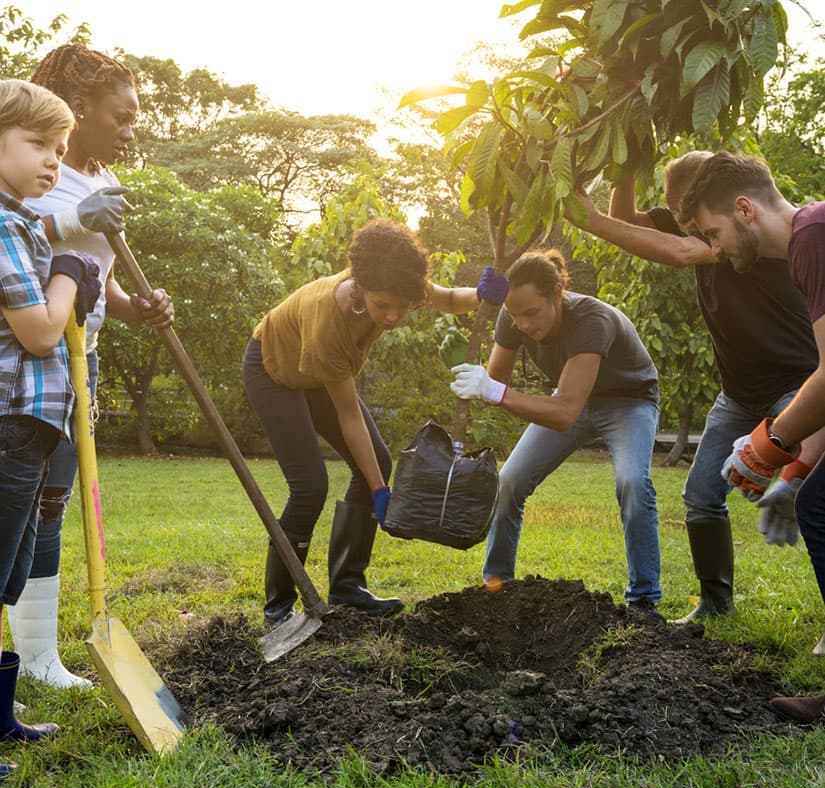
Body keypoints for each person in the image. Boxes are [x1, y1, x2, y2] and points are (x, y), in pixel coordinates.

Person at [566, 151, 819, 623]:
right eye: (677, 215)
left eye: (688, 216)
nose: (686, 226)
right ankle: (716, 603)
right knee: (701, 493)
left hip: (798, 382)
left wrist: (592, 222)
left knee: (810, 496)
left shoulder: (742, 235)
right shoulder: (697, 222)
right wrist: (625, 160)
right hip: (738, 393)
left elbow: (678, 251)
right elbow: (630, 219)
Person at [6, 43, 175, 690]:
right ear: (80, 110)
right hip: (30, 357)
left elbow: (95, 281)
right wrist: (76, 215)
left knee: (52, 501)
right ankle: (34, 655)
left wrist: (140, 306)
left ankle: (40, 657)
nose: (131, 130)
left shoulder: (100, 179)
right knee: (21, 506)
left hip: (85, 357)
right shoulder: (40, 180)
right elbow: (21, 229)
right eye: (122, 117)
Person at [243, 218, 509, 624]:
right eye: (383, 305)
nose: (392, 317)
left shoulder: (401, 286)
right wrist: (379, 491)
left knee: (377, 463)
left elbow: (448, 299)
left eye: (402, 307)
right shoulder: (328, 319)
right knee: (310, 486)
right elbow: (349, 417)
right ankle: (279, 606)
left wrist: (482, 293)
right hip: (274, 371)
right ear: (359, 285)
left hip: (316, 372)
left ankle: (347, 588)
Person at [679, 150, 825, 723]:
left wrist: (768, 446)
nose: (713, 249)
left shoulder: (811, 238)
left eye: (713, 233)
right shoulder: (807, 241)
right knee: (815, 500)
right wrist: (789, 461)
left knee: (820, 506)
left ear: (744, 209)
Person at [450, 248, 664, 618]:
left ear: (558, 292)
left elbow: (564, 413)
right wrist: (472, 377)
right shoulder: (512, 316)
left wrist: (495, 391)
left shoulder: (591, 319)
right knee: (509, 482)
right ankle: (496, 586)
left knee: (632, 482)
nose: (525, 324)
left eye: (532, 313)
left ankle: (643, 601)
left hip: (628, 401)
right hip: (571, 397)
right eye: (515, 316)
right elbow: (495, 382)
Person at [0, 78, 100, 777]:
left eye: (60, 149)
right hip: (8, 425)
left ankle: (1, 717)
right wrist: (69, 274)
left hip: (33, 428)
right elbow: (38, 332)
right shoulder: (3, 225)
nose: (52, 160)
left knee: (6, 577)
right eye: (37, 143)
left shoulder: (26, 220)